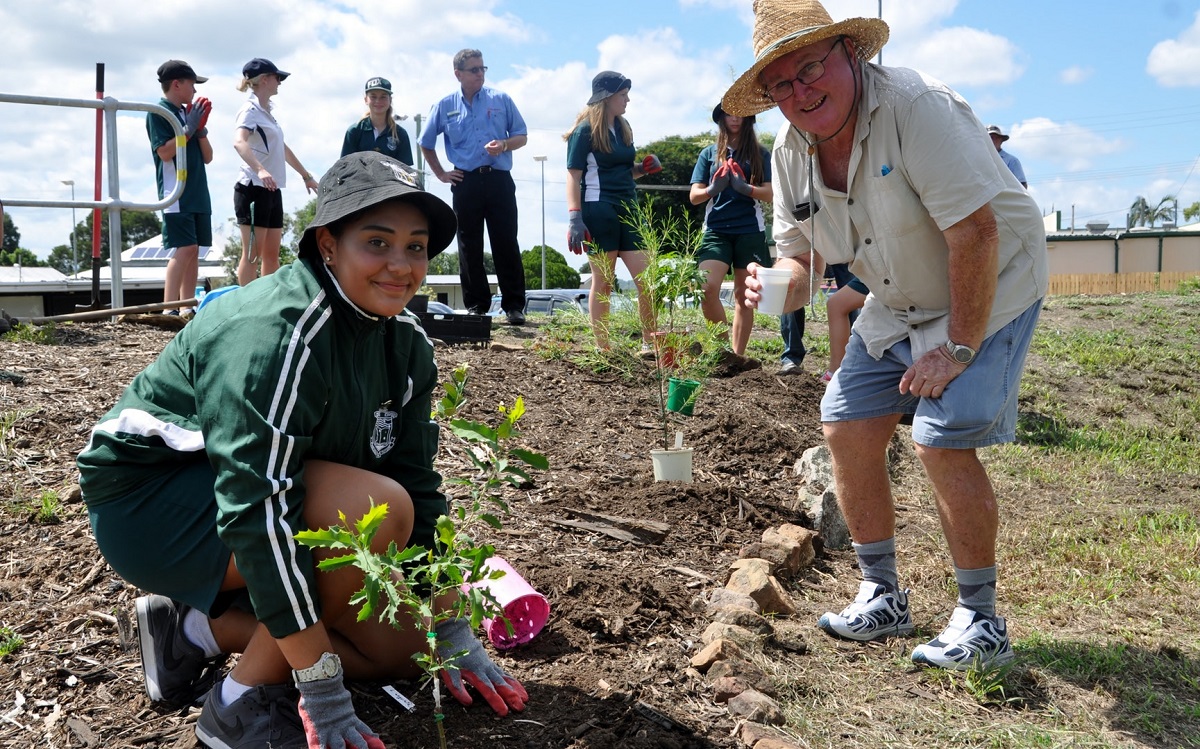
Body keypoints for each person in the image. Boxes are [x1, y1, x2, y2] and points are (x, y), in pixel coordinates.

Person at [77, 152, 528, 748]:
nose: (401, 265)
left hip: (260, 506)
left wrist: (449, 626)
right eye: (377, 242)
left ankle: (195, 631)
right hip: (154, 507)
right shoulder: (278, 332)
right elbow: (257, 508)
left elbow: (419, 481)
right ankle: (239, 706)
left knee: (403, 648)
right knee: (377, 509)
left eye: (416, 247)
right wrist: (320, 688)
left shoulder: (406, 341)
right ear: (326, 245)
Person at [726, 0, 1048, 670]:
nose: (800, 91)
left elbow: (976, 234)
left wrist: (957, 347)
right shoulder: (791, 151)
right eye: (781, 84)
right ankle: (882, 595)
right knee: (844, 422)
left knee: (939, 438)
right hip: (896, 297)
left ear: (851, 51)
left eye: (810, 67)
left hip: (988, 283)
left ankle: (982, 622)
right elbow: (801, 256)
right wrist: (771, 283)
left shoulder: (916, 108)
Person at [419, 49, 529, 324]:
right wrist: (442, 174)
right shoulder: (445, 105)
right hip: (465, 181)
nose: (480, 74)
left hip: (499, 179)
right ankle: (476, 306)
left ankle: (514, 306)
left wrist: (504, 144)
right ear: (458, 74)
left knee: (505, 241)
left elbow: (522, 136)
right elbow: (425, 142)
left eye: (483, 68)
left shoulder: (500, 99)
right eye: (474, 69)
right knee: (469, 244)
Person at [564, 71, 662, 349]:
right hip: (599, 210)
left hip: (629, 208)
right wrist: (574, 218)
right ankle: (602, 347)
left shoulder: (623, 127)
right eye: (622, 94)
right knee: (604, 282)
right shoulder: (584, 131)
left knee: (647, 281)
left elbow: (625, 172)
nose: (627, 99)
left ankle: (649, 345)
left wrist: (643, 169)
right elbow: (573, 176)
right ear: (607, 97)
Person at [689, 103, 772, 357]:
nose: (735, 118)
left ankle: (737, 356)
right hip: (716, 230)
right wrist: (713, 189)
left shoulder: (760, 154)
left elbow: (770, 194)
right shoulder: (708, 154)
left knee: (743, 296)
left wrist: (744, 187)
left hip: (750, 229)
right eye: (730, 113)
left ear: (748, 119)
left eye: (741, 113)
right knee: (706, 288)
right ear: (721, 118)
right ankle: (723, 351)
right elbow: (694, 196)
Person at [232, 58, 320, 287]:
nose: (279, 82)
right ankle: (245, 305)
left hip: (272, 189)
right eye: (276, 77)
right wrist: (260, 170)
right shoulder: (249, 111)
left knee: (272, 254)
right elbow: (239, 142)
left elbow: (282, 148)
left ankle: (268, 303)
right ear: (264, 80)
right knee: (252, 255)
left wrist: (306, 176)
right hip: (253, 188)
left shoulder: (267, 113)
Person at [148, 60, 213, 316]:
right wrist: (187, 130)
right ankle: (170, 308)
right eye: (191, 84)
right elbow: (164, 152)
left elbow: (208, 156)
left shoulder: (188, 114)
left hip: (197, 192)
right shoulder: (159, 112)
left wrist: (200, 131)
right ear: (177, 84)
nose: (195, 91)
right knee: (184, 247)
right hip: (177, 193)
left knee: (195, 250)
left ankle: (187, 308)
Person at [341, 77, 414, 165]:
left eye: (383, 97)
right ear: (366, 100)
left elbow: (405, 172)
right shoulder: (354, 131)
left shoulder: (400, 134)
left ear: (390, 100)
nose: (378, 101)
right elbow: (344, 168)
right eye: (373, 96)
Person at [822, 265, 869, 382]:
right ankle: (837, 371)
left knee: (836, 304)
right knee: (835, 304)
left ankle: (836, 372)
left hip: (891, 271)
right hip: (877, 270)